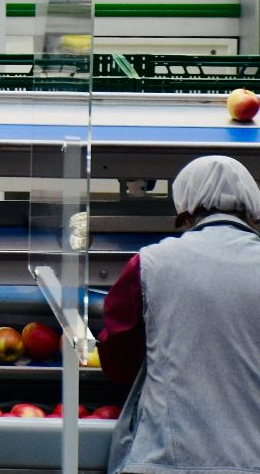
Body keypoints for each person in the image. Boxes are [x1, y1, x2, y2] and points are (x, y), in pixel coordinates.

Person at [98, 155, 260, 473]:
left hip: (167, 462)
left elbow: (117, 363)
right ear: (252, 208)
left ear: (184, 206)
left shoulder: (149, 264)